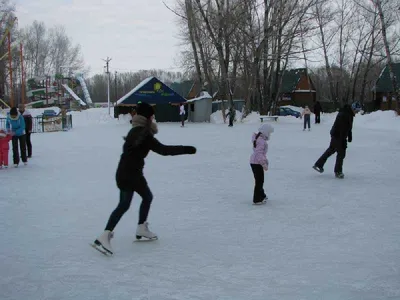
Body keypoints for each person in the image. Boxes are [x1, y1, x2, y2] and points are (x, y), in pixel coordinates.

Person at [93, 102, 197, 255]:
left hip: (126, 172)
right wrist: (186, 149)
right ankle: (106, 235)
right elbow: (164, 150)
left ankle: (139, 228)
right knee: (128, 203)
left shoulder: (135, 130)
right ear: (147, 117)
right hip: (131, 174)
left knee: (142, 198)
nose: (154, 118)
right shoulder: (143, 133)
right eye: (152, 116)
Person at [312, 103, 359, 178]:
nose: (357, 112)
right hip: (338, 135)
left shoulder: (348, 114)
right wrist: (342, 140)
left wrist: (349, 136)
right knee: (341, 153)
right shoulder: (344, 114)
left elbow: (348, 127)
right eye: (357, 110)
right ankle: (338, 171)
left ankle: (318, 165)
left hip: (337, 135)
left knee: (331, 150)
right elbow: (341, 128)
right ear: (353, 109)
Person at [250, 123, 274, 204]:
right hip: (257, 163)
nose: (270, 134)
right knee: (259, 181)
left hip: (255, 162)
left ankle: (262, 195)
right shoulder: (261, 141)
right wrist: (263, 163)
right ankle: (257, 199)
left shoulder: (259, 139)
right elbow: (259, 153)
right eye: (269, 133)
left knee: (260, 180)